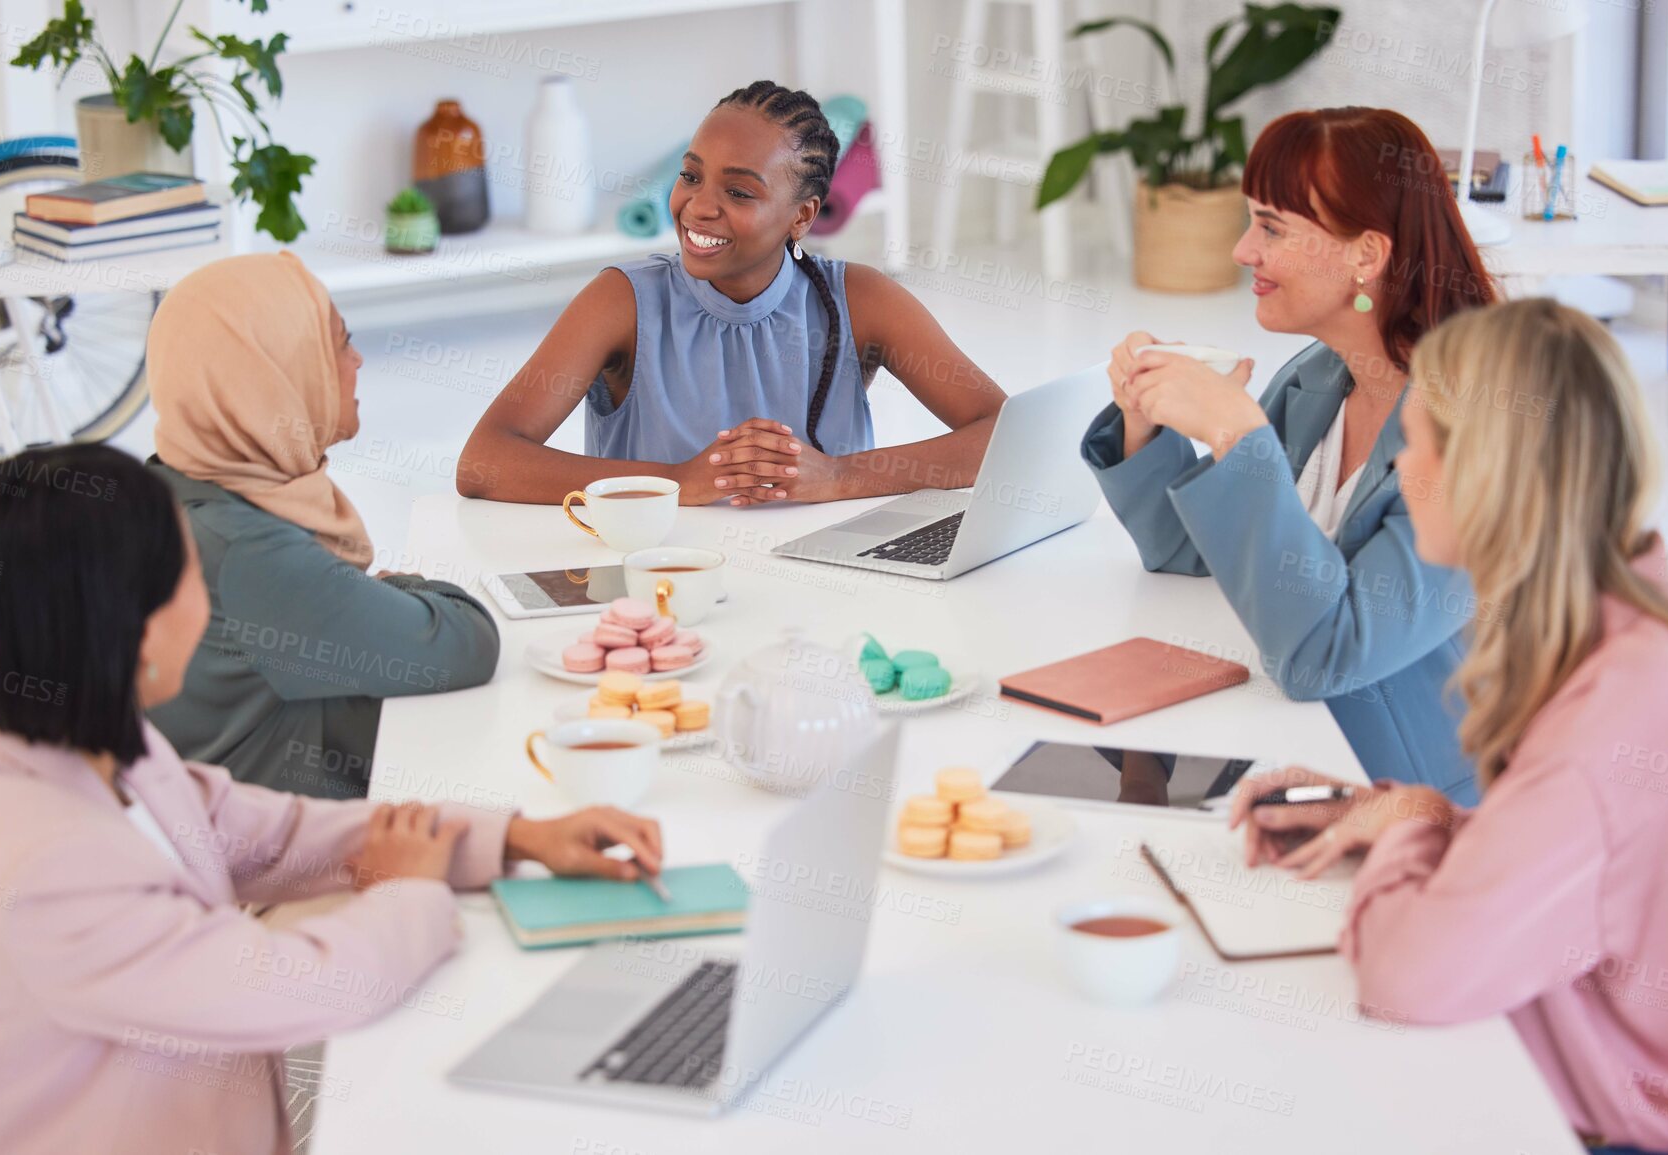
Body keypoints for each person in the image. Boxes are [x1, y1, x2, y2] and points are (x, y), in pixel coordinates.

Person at [0, 444, 665, 1155]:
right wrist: (409, 892)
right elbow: (289, 986)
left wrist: (515, 837)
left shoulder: (87, 737)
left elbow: (271, 831)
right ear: (135, 628)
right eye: (189, 572)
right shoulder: (46, 870)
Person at [1231, 300, 1668, 1155]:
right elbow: (1600, 860)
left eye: (1414, 444)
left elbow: (1410, 976)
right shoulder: (1644, 622)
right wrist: (1428, 818)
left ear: (1481, 470)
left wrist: (1410, 840)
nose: (1398, 469)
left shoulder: (1611, 715)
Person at [1080, 108, 1497, 804]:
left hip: (1418, 797)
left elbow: (1326, 657)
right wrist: (1143, 417)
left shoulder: (1475, 427)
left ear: (1366, 254)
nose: (1242, 250)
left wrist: (1238, 439)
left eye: (1270, 227)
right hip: (1295, 742)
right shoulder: (1319, 378)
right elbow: (1193, 552)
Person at [457, 80, 1006, 507]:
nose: (699, 206)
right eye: (691, 176)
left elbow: (1005, 433)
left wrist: (838, 477)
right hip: (659, 584)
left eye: (739, 191)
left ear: (802, 216)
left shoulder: (860, 300)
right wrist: (676, 483)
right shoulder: (621, 301)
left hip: (825, 583)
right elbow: (483, 461)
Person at [143, 252, 499, 799]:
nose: (357, 360)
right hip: (280, 855)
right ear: (274, 374)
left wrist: (362, 596)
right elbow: (467, 644)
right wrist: (396, 586)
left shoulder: (169, 488)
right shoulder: (246, 552)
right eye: (337, 344)